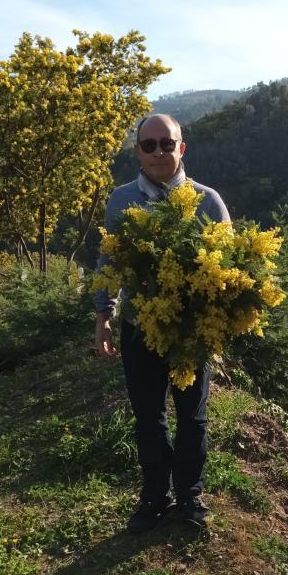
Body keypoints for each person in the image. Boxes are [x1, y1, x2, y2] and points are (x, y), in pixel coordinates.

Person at [93, 113, 231, 533]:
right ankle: (155, 495)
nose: (158, 152)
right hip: (139, 327)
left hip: (191, 332)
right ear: (137, 150)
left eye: (166, 144)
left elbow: (229, 268)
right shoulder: (120, 200)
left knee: (193, 417)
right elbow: (109, 263)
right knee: (148, 416)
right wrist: (104, 319)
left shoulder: (208, 201)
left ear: (181, 148)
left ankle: (189, 497)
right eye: (148, 145)